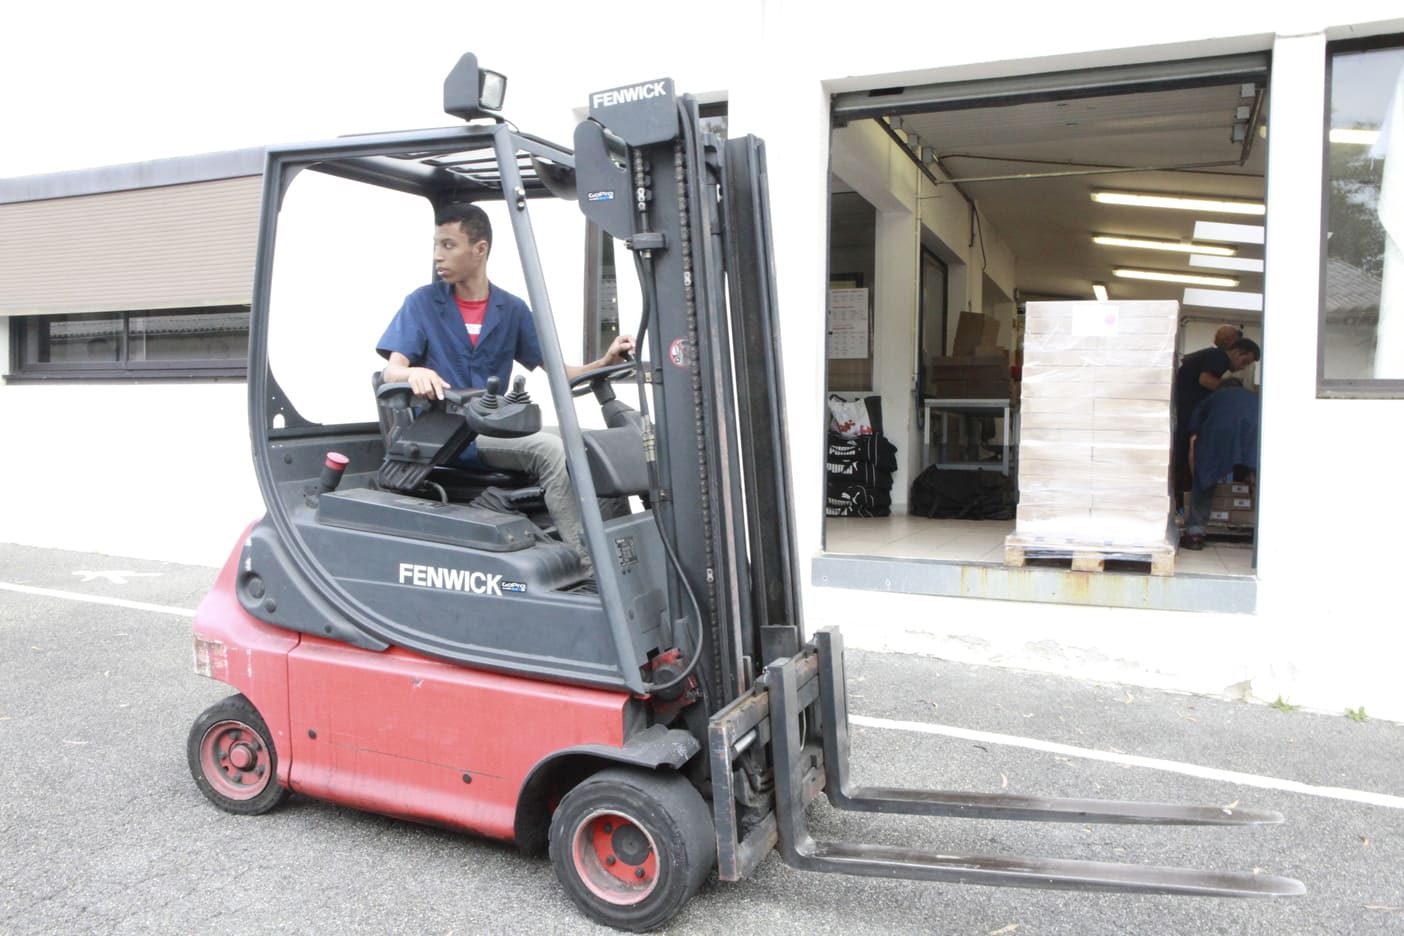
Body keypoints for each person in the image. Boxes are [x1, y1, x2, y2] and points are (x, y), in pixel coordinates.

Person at [377, 202, 634, 570]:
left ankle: (625, 559)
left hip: (494, 428)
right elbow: (392, 372)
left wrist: (605, 362)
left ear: (479, 249)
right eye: (436, 245)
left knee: (592, 444)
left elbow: (560, 374)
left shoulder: (511, 309)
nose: (438, 256)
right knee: (550, 451)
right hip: (450, 435)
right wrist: (412, 373)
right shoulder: (422, 303)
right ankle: (590, 566)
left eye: (448, 245)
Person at [1173, 336, 1260, 495]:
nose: (1242, 367)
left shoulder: (1210, 357)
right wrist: (1232, 394)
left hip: (1187, 412)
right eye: (1244, 362)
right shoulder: (1219, 356)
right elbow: (1205, 380)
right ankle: (1182, 496)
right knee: (1184, 456)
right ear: (1236, 352)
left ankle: (1183, 496)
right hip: (1188, 413)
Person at [1180, 378, 1260, 550]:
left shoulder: (1211, 400)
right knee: (1260, 479)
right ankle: (1262, 531)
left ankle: (1195, 533)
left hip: (1218, 433)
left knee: (1205, 475)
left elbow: (1194, 440)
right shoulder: (1255, 399)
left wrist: (1197, 473)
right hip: (1253, 432)